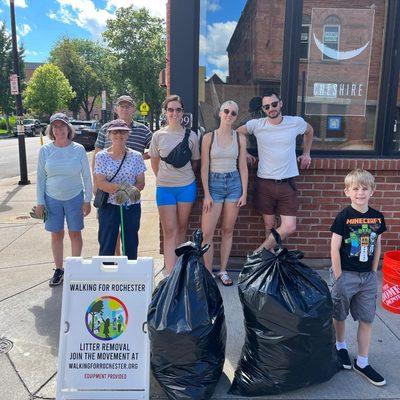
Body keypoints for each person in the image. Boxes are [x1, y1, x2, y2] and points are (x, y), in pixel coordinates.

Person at [236, 91, 314, 252]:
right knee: (269, 226)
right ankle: (270, 260)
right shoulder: (257, 124)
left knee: (289, 226)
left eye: (273, 104)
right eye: (266, 106)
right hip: (265, 183)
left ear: (280, 103)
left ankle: (258, 254)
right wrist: (245, 153)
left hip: (287, 183)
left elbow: (310, 131)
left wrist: (306, 153)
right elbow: (237, 133)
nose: (271, 108)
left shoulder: (295, 122)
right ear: (263, 109)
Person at [330, 169, 386, 386]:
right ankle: (341, 346)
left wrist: (373, 271)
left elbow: (378, 244)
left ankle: (362, 361)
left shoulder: (377, 217)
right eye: (356, 188)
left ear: (372, 191)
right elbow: (334, 248)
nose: (360, 193)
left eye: (365, 188)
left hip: (367, 277)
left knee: (367, 319)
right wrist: (339, 276)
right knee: (340, 314)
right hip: (346, 275)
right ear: (347, 192)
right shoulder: (344, 216)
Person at [36, 113, 92, 286]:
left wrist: (87, 199)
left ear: (68, 128)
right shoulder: (45, 150)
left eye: (62, 126)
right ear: (51, 129)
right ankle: (59, 269)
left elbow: (86, 176)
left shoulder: (78, 149)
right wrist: (40, 202)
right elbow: (40, 178)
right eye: (56, 127)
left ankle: (75, 267)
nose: (59, 130)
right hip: (51, 198)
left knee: (75, 232)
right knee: (56, 234)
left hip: (75, 197)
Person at [92, 95, 152, 256]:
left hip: (131, 204)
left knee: (130, 241)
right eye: (115, 133)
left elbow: (140, 182)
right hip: (108, 204)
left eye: (123, 133)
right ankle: (108, 274)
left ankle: (130, 274)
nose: (119, 136)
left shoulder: (136, 156)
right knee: (107, 241)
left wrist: (127, 193)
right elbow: (101, 181)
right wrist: (122, 189)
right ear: (109, 135)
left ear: (128, 135)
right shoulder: (102, 156)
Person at [149, 94, 200, 274]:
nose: (174, 113)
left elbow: (195, 162)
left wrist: (181, 177)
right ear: (165, 112)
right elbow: (154, 162)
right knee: (169, 230)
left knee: (182, 228)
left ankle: (180, 270)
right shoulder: (158, 136)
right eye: (170, 109)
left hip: (186, 186)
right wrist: (164, 177)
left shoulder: (192, 136)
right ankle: (170, 273)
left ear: (182, 112)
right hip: (165, 189)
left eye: (178, 109)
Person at [200, 101, 248, 286]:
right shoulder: (208, 138)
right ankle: (207, 272)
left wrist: (244, 192)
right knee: (207, 233)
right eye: (226, 111)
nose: (229, 115)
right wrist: (206, 194)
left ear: (236, 117)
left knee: (228, 230)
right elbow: (204, 167)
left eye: (233, 113)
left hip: (234, 184)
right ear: (220, 113)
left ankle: (223, 270)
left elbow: (243, 167)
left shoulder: (240, 138)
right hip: (214, 183)